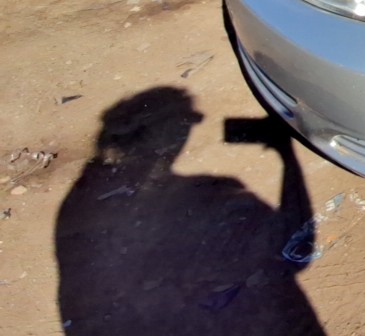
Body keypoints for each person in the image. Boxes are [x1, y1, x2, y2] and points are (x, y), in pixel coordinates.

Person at [56, 87, 324, 335]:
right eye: (179, 126)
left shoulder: (87, 203)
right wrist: (287, 160)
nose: (183, 135)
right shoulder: (202, 195)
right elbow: (297, 251)